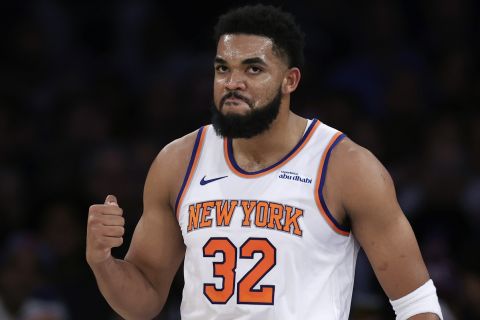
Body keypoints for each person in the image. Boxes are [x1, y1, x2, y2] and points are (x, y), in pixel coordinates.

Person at [86, 4, 443, 320]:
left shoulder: (345, 166)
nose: (232, 82)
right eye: (222, 68)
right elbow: (143, 302)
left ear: (290, 80)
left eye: (253, 69)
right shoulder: (177, 162)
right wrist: (103, 262)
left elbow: (417, 305)